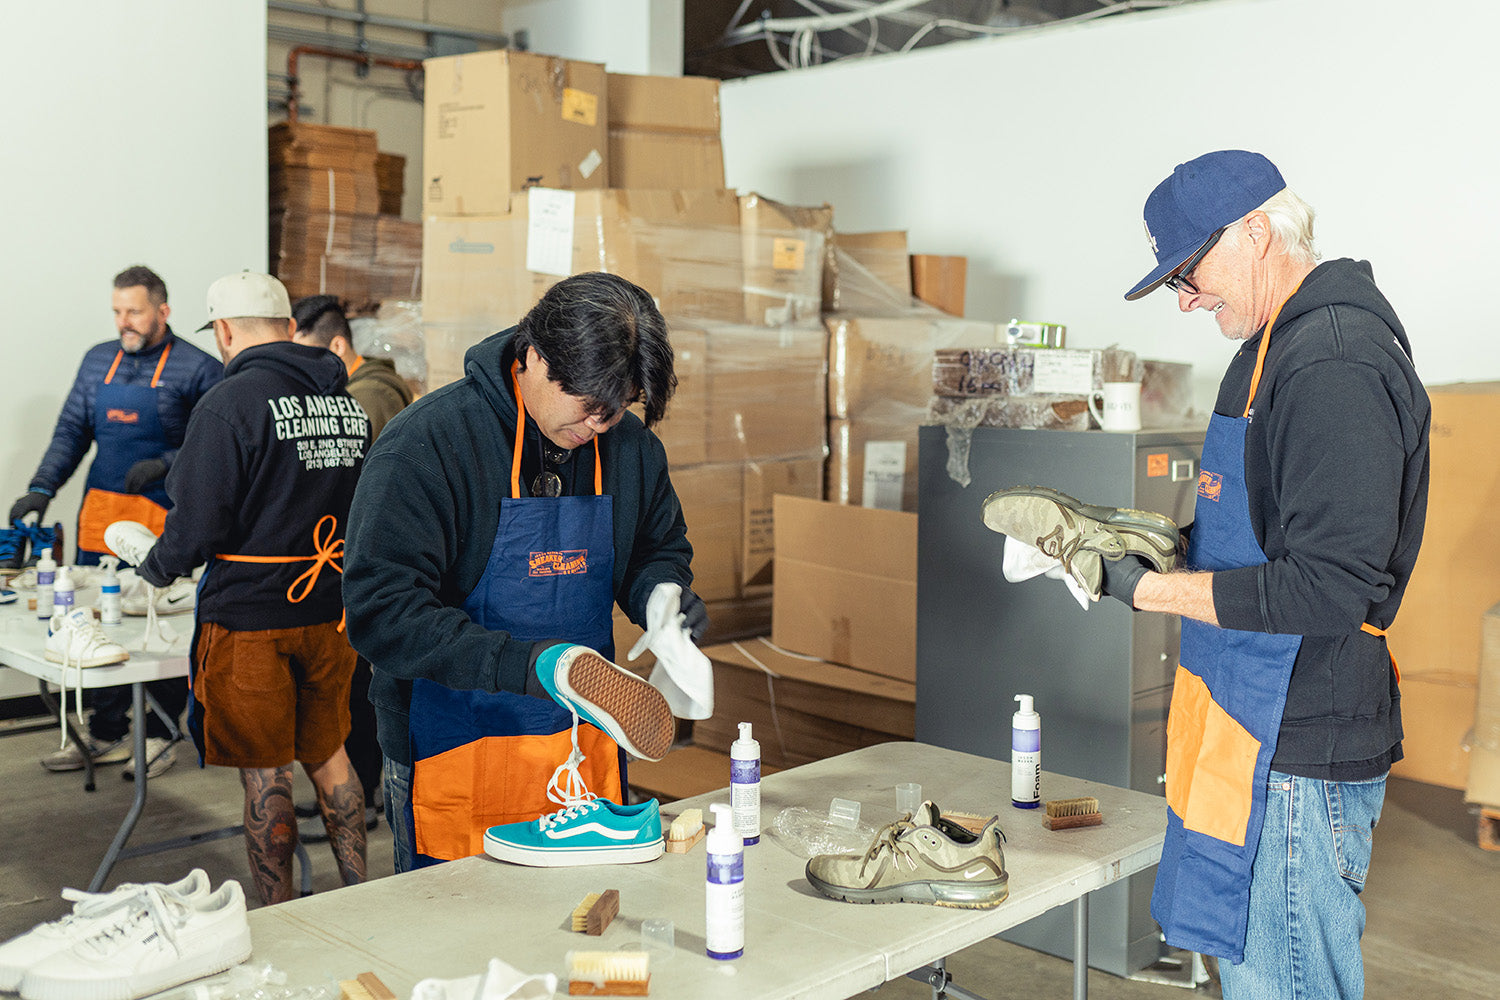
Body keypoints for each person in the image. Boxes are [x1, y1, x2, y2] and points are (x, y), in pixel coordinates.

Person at [1112, 150, 1429, 996]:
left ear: (1257, 230)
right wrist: (1159, 543)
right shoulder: (1268, 344)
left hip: (1297, 742)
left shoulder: (1331, 361)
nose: (1185, 297)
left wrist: (1145, 591)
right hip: (1245, 724)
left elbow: (1326, 588)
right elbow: (1262, 521)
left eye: (1190, 272)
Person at [343, 271, 708, 873]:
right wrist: (534, 664)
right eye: (588, 405)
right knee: (454, 947)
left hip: (581, 750)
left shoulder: (630, 448)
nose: (599, 426)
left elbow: (655, 548)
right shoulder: (428, 445)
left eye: (616, 411)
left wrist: (662, 598)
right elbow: (381, 612)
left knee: (580, 938)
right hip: (453, 748)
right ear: (534, 355)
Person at [109, 271, 369, 905]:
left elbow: (196, 525)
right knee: (330, 754)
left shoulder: (228, 405)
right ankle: (363, 894)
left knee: (266, 769)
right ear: (286, 327)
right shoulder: (347, 404)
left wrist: (157, 567)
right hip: (330, 614)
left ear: (223, 330)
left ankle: (279, 912)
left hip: (251, 619)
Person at [11, 265, 221, 779]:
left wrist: (166, 464)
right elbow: (70, 433)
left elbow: (212, 447)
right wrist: (40, 489)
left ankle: (160, 734)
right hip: (100, 516)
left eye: (134, 311)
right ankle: (105, 734)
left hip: (161, 523)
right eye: (117, 311)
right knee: (95, 622)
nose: (123, 321)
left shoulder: (199, 369)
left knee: (157, 629)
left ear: (163, 312)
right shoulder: (96, 361)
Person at [290, 294, 414, 831]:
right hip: (361, 560)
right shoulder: (359, 390)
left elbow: (351, 491)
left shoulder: (366, 400)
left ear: (338, 347)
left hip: (371, 563)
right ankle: (363, 795)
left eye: (307, 357)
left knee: (359, 690)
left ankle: (358, 802)